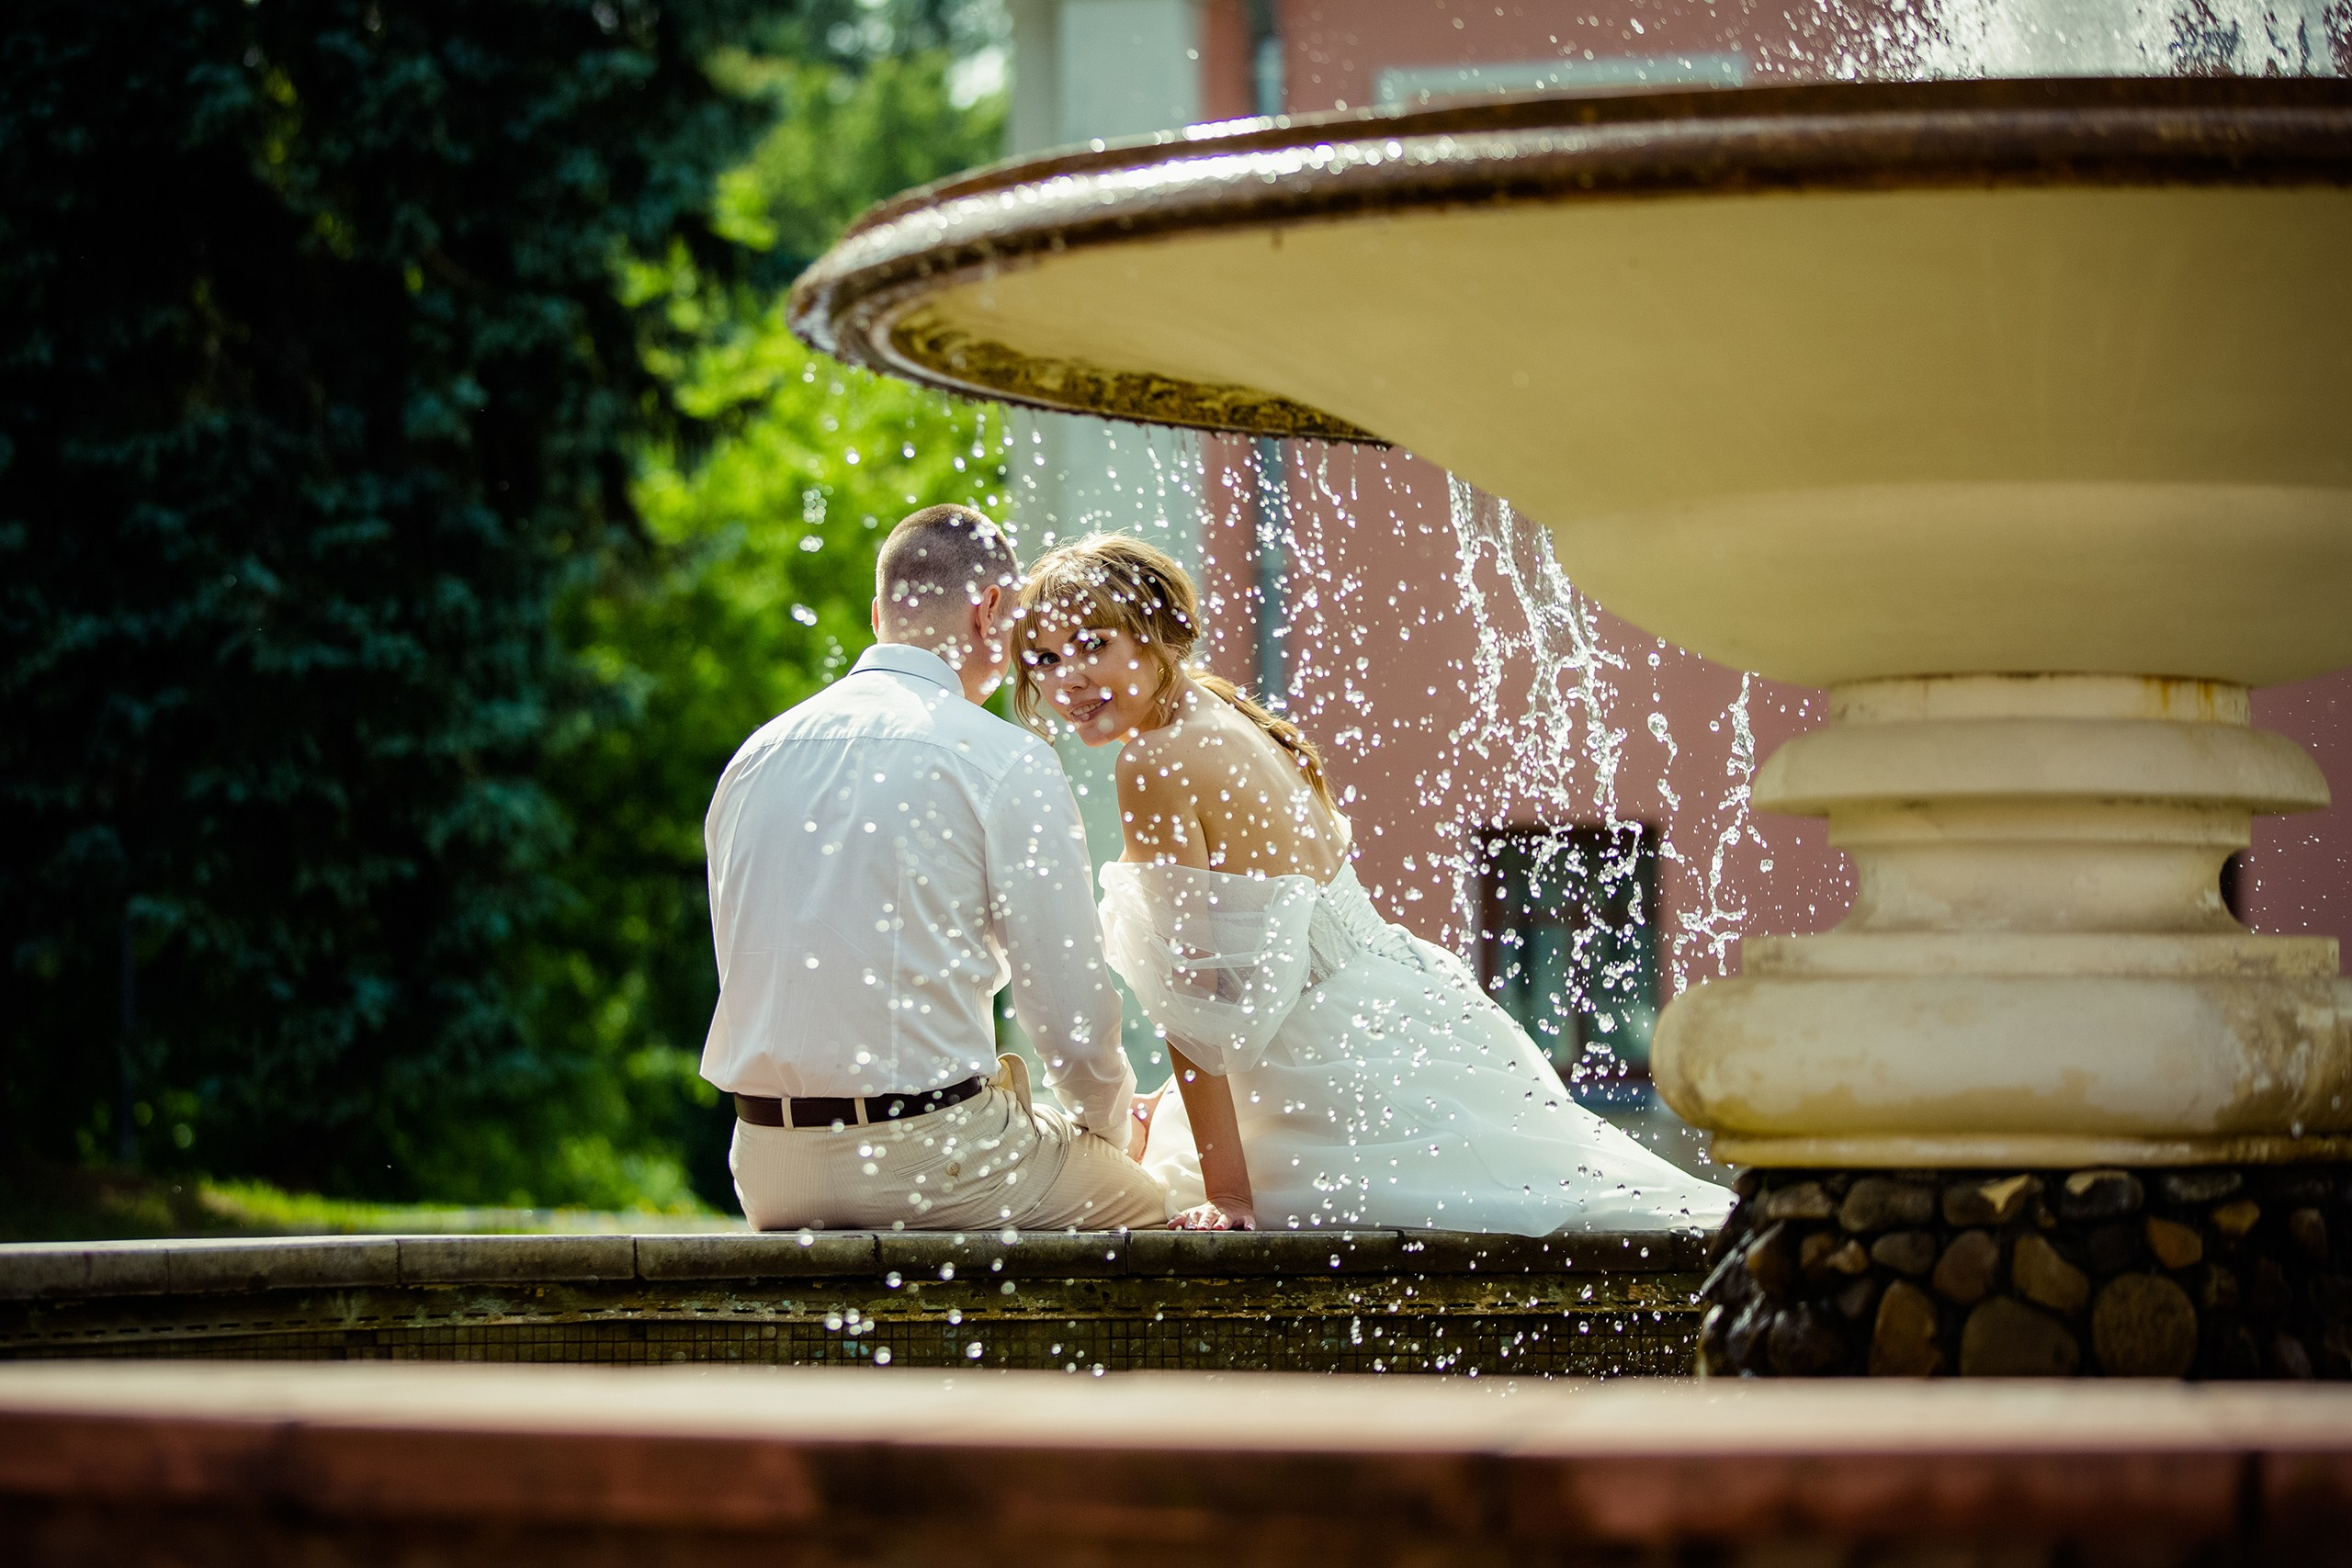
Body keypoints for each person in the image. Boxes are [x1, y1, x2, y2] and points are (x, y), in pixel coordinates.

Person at [1012, 533, 1732, 1237]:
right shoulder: (1227, 713)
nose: (1065, 679)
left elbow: (1197, 1008)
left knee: (1119, 1191)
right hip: (1409, 1008)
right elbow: (1250, 976)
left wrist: (1228, 1192)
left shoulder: (1154, 762)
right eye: (1042, 658)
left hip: (1326, 1074)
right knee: (1591, 1198)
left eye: (1091, 644)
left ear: (1157, 634)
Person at [700, 504, 1166, 1233]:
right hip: (929, 1157)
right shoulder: (1003, 759)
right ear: (989, 613)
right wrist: (1108, 1134)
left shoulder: (754, 756)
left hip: (765, 1166)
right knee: (1158, 1207)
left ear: (879, 613)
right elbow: (1070, 1019)